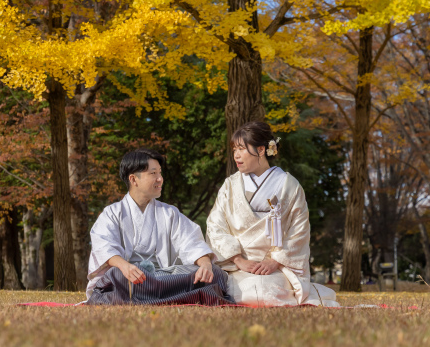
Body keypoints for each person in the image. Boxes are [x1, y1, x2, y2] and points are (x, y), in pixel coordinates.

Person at [206, 121, 339, 307]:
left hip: (274, 268)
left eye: (242, 149)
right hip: (234, 267)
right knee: (228, 288)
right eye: (234, 149)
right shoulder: (230, 185)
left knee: (264, 291)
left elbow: (299, 232)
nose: (236, 155)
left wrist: (275, 261)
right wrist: (238, 260)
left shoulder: (289, 186)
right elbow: (215, 226)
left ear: (261, 150)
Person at [86, 149, 233, 306]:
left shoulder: (169, 213)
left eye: (160, 173)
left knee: (214, 272)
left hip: (164, 277)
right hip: (130, 277)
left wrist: (205, 264)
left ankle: (147, 298)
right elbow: (104, 246)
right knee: (115, 275)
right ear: (133, 179)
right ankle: (180, 297)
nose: (160, 179)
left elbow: (190, 242)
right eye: (153, 173)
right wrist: (125, 266)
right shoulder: (112, 213)